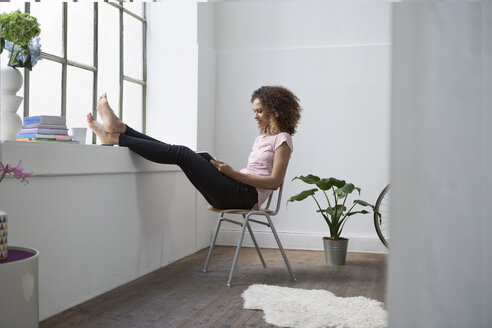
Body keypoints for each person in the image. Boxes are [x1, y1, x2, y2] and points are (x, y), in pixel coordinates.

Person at [87, 86, 302, 210]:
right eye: (254, 110)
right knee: (196, 155)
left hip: (244, 197)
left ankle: (116, 137)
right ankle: (121, 130)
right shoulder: (261, 138)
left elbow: (274, 183)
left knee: (182, 153)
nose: (255, 115)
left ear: (275, 111)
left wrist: (233, 173)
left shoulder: (282, 139)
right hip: (236, 188)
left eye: (260, 111)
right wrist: (230, 173)